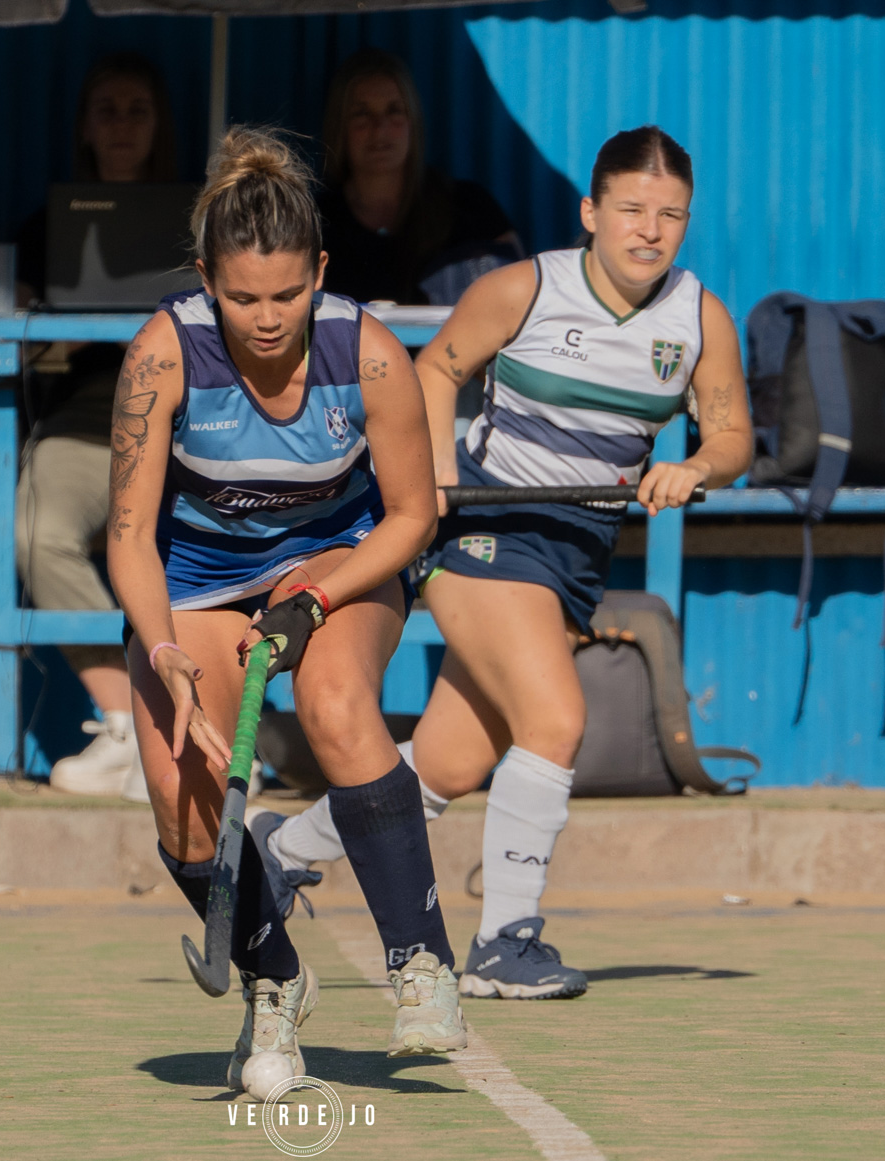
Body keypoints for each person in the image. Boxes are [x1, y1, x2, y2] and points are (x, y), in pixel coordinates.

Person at [251, 126, 756, 999]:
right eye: (631, 209)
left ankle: (281, 851)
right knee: (555, 719)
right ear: (591, 212)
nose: (650, 230)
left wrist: (696, 465)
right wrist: (436, 469)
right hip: (486, 532)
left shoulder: (699, 317)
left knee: (444, 766)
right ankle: (504, 942)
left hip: (577, 550)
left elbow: (735, 436)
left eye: (670, 214)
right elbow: (432, 372)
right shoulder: (524, 288)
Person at [107, 127, 466, 1088]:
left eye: (287, 294)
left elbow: (411, 516)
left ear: (320, 271)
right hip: (200, 586)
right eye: (240, 298)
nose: (266, 320)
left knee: (338, 704)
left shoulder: (370, 353)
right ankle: (277, 982)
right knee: (185, 810)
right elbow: (130, 536)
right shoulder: (163, 355)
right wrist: (161, 649)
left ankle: (422, 964)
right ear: (203, 279)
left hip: (342, 560)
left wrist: (319, 593)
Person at [14, 54, 180, 801]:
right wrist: (71, 331)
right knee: (33, 531)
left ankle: (192, 727)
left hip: (187, 418)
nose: (121, 124)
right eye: (106, 109)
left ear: (159, 125)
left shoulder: (197, 221)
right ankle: (126, 725)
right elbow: (18, 344)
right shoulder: (45, 226)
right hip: (84, 421)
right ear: (85, 126)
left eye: (136, 109)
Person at [316, 48, 521, 307]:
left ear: (413, 121)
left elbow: (519, 305)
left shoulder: (469, 206)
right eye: (362, 114)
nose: (380, 128)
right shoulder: (315, 220)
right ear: (339, 126)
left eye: (394, 111)